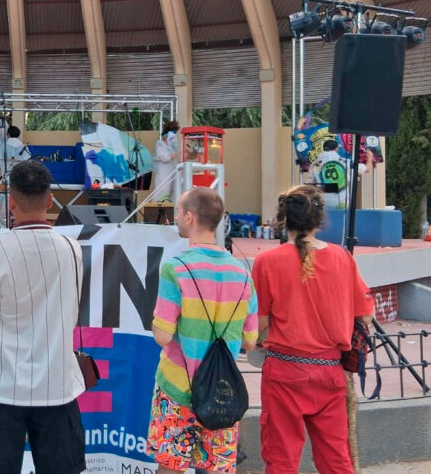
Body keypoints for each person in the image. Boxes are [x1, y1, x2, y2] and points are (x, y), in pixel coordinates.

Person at [0, 160, 86, 474]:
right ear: (49, 201)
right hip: (58, 386)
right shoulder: (72, 250)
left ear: (10, 202)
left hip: (3, 387)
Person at [252, 185, 374, 474]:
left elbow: (261, 323)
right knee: (336, 459)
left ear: (283, 220)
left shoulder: (267, 262)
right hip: (330, 371)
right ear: (319, 221)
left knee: (281, 458)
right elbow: (365, 317)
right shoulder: (343, 258)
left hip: (284, 371)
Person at [147, 187, 258, 474]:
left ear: (190, 216)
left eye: (178, 213)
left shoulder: (176, 269)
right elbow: (250, 341)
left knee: (170, 466)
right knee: (217, 467)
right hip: (222, 392)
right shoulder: (242, 274)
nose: (176, 220)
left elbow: (162, 336)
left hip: (177, 388)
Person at [307, 139, 365, 209]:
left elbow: (310, 184)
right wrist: (370, 157)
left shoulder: (314, 164)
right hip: (341, 201)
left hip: (322, 202)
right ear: (336, 149)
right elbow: (365, 169)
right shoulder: (344, 162)